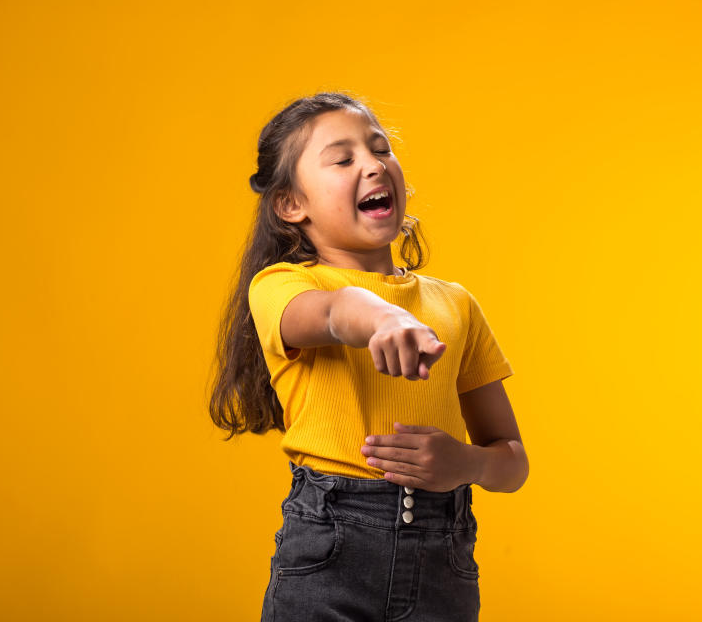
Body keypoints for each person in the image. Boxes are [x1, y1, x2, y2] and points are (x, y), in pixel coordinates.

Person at [209, 91, 529, 621]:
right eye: (344, 158)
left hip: (444, 561)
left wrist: (465, 463)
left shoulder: (455, 305)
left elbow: (512, 461)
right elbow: (334, 313)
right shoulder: (280, 287)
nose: (374, 165)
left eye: (380, 149)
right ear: (292, 204)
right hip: (329, 554)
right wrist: (383, 316)